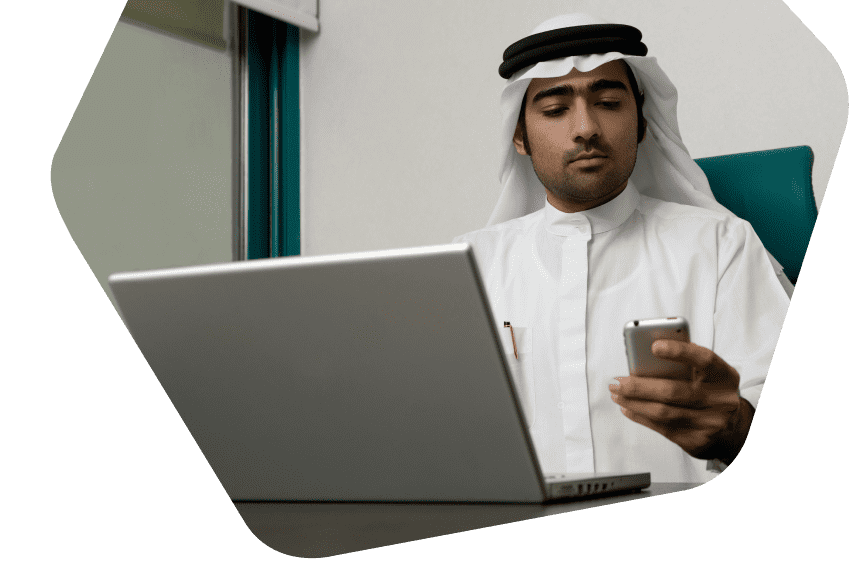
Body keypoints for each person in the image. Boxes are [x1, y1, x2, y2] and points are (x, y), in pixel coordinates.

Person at [453, 13, 791, 483]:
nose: (585, 128)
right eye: (555, 110)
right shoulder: (469, 266)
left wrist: (737, 428)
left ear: (642, 122)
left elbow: (805, 428)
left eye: (609, 102)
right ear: (519, 137)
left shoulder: (720, 245)